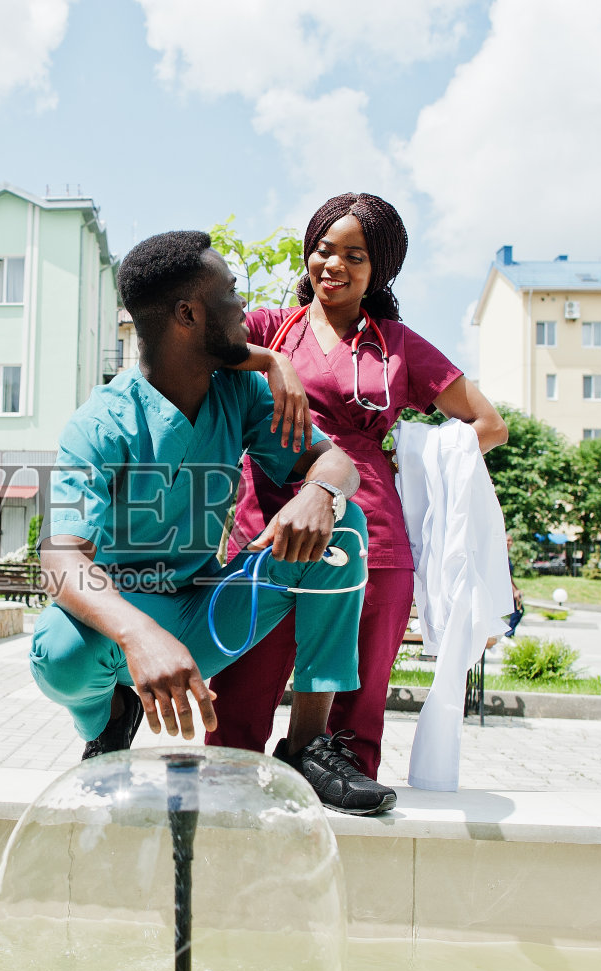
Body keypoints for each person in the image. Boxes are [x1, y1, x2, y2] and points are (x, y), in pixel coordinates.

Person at [29, 229, 395, 815]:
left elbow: (338, 464)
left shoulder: (240, 393)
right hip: (123, 616)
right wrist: (139, 635)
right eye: (231, 292)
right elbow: (60, 560)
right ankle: (111, 715)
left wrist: (319, 489)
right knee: (59, 654)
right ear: (188, 313)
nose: (244, 305)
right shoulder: (99, 425)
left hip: (206, 609)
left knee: (341, 527)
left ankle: (304, 746)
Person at [206, 193, 507, 800]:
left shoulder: (396, 345)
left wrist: (415, 465)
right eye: (323, 249)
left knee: (355, 707)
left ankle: (336, 816)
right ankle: (230, 806)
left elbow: (489, 425)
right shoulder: (270, 327)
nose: (333, 265)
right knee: (242, 694)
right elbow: (205, 347)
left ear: (378, 270)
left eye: (355, 255)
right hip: (267, 524)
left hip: (371, 535)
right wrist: (273, 363)